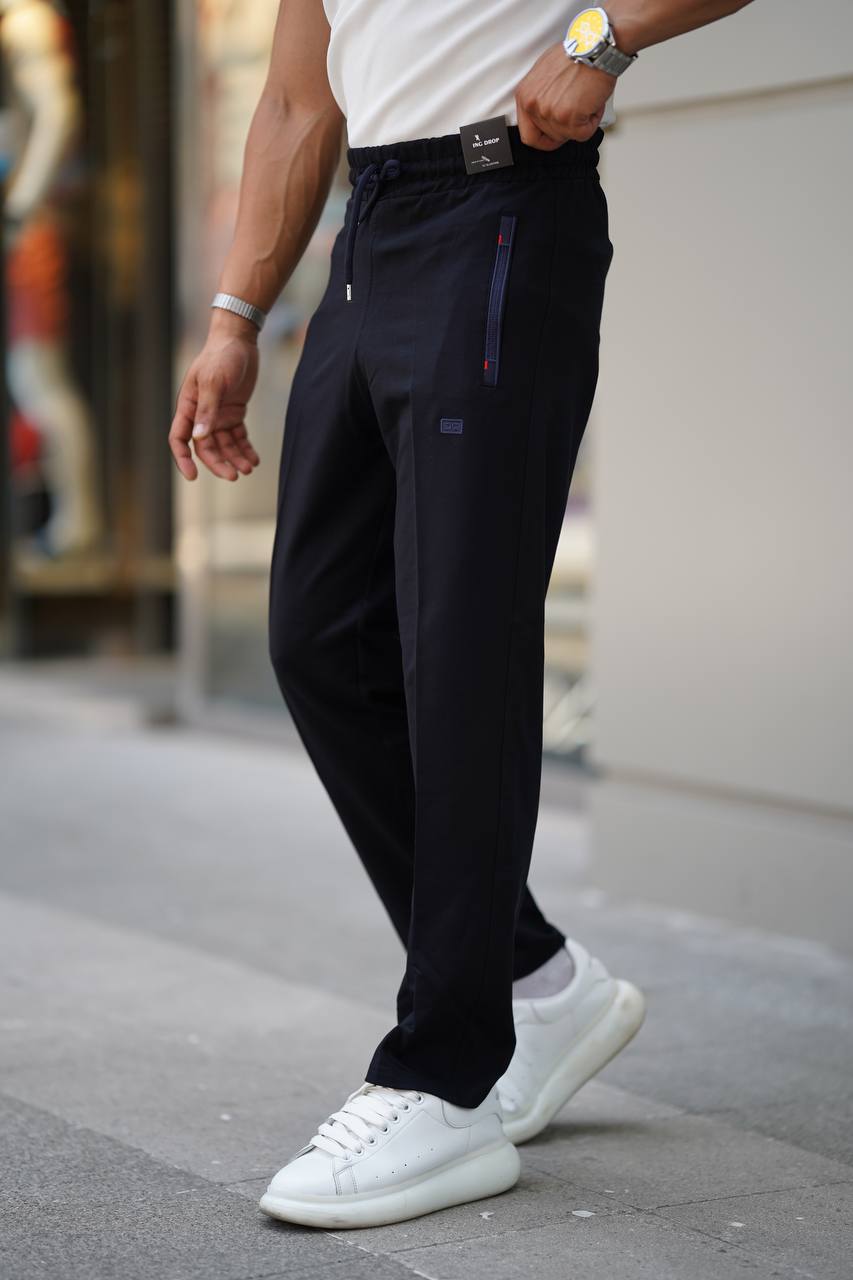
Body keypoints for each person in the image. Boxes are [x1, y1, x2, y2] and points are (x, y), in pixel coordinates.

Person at [170, 0, 754, 1231]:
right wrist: (233, 317)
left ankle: (445, 1074)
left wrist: (600, 35)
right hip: (368, 231)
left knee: (461, 643)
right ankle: (533, 974)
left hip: (503, 203)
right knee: (322, 638)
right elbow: (297, 101)